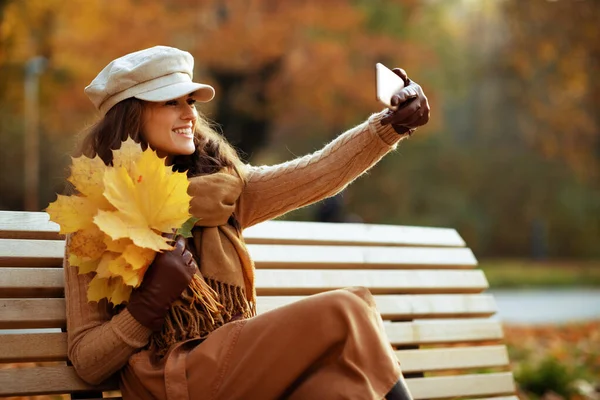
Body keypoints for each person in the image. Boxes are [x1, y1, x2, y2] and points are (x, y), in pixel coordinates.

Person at [64, 45, 429, 400]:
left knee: (340, 389)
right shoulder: (97, 219)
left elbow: (319, 172)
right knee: (349, 308)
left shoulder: (223, 193)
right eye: (170, 102)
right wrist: (147, 305)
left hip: (237, 370)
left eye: (190, 101)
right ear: (130, 116)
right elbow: (86, 361)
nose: (189, 114)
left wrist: (390, 125)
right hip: (168, 379)